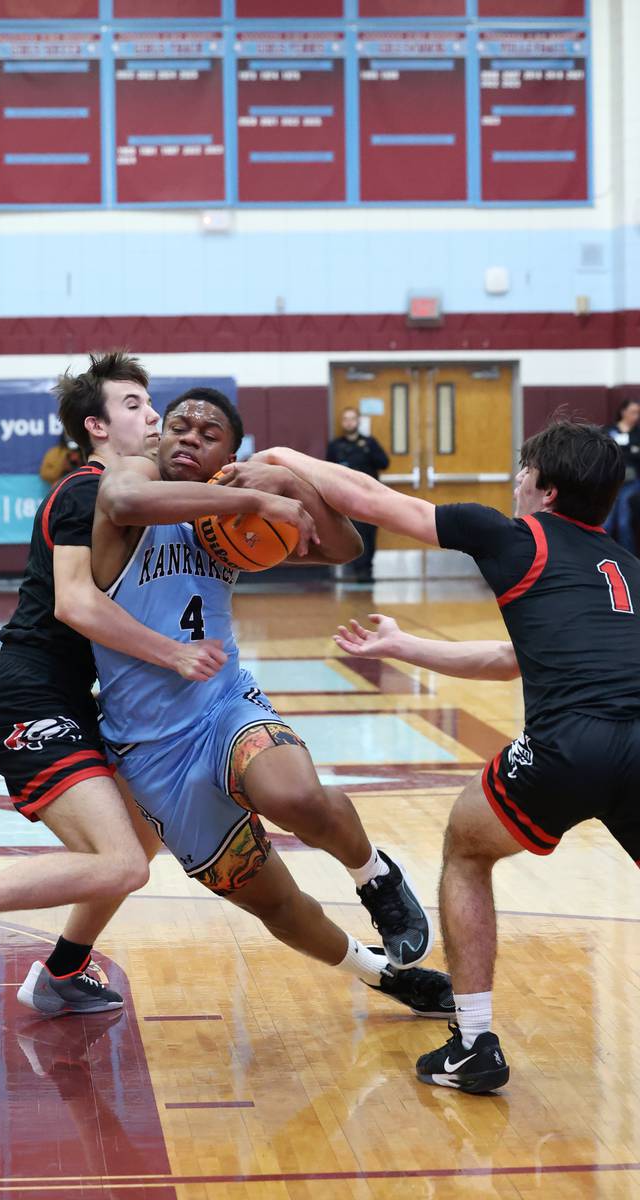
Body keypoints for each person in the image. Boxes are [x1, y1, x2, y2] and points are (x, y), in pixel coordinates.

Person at [252, 418, 639, 1093]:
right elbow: (507, 658)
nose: (516, 482)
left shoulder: (512, 536)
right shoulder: (628, 570)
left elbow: (372, 501)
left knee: (466, 846)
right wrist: (403, 647)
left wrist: (286, 453)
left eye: (524, 473)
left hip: (570, 746)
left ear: (545, 490)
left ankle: (474, 1042)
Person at [85, 386, 452, 1021]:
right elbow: (119, 498)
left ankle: (377, 878)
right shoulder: (133, 482)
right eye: (179, 426)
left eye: (209, 433)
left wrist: (285, 481)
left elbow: (345, 547)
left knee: (296, 797)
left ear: (230, 452)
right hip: (149, 755)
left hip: (221, 705)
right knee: (276, 904)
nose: (189, 438)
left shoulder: (231, 518)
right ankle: (381, 974)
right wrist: (255, 493)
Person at [0, 352, 227, 1017]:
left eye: (152, 403)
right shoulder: (85, 489)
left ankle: (62, 974)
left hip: (77, 700)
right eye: (133, 406)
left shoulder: (141, 496)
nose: (152, 416)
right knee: (122, 862)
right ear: (95, 426)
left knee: (143, 837)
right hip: (26, 695)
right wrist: (174, 656)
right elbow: (75, 605)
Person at [326, 407, 390, 582]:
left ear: (358, 421)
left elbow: (384, 463)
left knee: (370, 533)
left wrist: (368, 452)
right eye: (345, 419)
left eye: (352, 418)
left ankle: (368, 569)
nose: (349, 422)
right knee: (355, 533)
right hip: (346, 498)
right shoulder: (335, 446)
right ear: (342, 422)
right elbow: (326, 471)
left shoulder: (369, 443)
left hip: (370, 497)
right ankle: (360, 571)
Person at [604, 397, 640, 552]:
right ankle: (601, 554)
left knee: (624, 522)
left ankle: (628, 558)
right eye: (633, 412)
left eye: (638, 413)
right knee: (607, 523)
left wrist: (627, 451)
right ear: (623, 411)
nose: (636, 416)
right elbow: (606, 454)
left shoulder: (637, 433)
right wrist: (631, 450)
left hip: (632, 483)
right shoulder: (609, 431)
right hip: (611, 482)